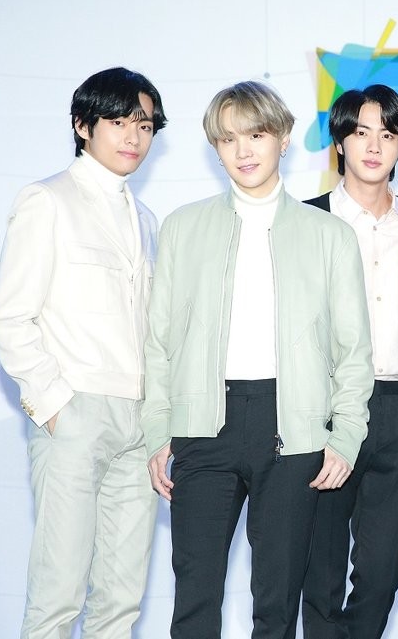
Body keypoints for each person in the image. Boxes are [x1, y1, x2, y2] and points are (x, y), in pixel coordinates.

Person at [140, 80, 373, 639]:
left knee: (277, 602)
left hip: (292, 428)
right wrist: (156, 431)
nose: (243, 150)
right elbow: (159, 340)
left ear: (284, 139)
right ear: (215, 148)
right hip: (202, 426)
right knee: (194, 598)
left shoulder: (329, 234)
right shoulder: (182, 227)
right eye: (228, 139)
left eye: (257, 134)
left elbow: (354, 351)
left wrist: (345, 436)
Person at [0, 66, 167, 639]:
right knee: (57, 595)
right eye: (119, 122)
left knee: (121, 600)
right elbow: (11, 315)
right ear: (82, 125)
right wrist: (54, 405)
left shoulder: (146, 219)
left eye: (145, 125)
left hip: (138, 422)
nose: (133, 137)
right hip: (76, 414)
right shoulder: (47, 200)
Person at [301, 84, 398, 639]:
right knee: (320, 572)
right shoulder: (305, 221)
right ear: (339, 142)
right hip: (324, 409)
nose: (374, 146)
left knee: (382, 572)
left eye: (388, 134)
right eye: (360, 132)